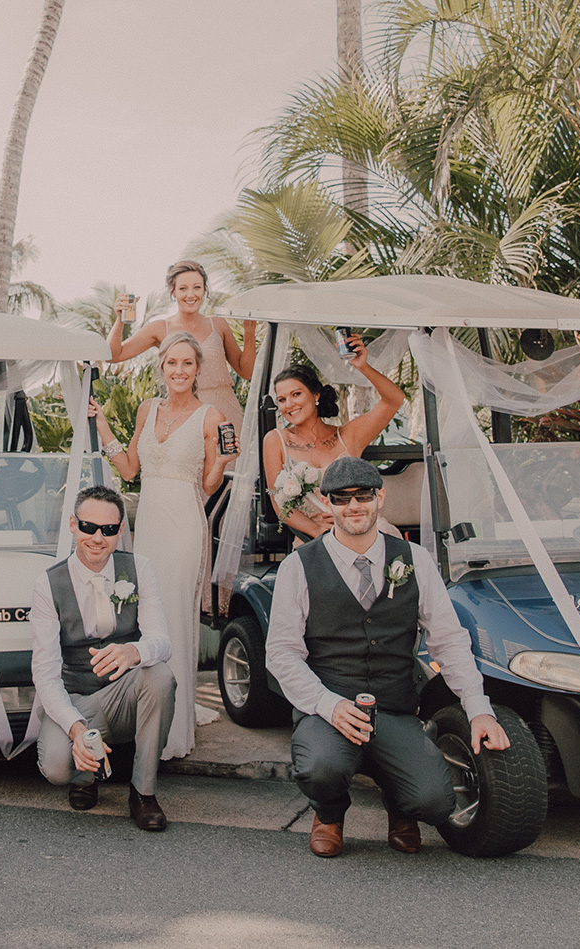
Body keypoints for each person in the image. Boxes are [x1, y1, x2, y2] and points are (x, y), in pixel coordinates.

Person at [266, 457, 511, 858]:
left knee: (435, 801)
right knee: (320, 767)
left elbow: (449, 641)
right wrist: (327, 704)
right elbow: (281, 653)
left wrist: (479, 709)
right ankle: (329, 815)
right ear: (326, 504)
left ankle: (401, 807)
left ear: (380, 496)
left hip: (395, 706)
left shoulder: (415, 559)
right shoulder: (299, 566)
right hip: (329, 706)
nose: (354, 506)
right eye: (341, 499)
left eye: (363, 495)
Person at [91, 332, 236, 760]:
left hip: (184, 525)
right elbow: (131, 468)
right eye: (171, 363)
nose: (179, 371)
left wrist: (224, 460)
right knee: (146, 615)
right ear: (161, 368)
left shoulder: (210, 416)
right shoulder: (146, 409)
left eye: (187, 364)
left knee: (173, 613)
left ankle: (173, 729)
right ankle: (144, 715)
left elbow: (208, 486)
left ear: (197, 369)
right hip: (149, 524)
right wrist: (101, 423)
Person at [29, 487, 175, 830]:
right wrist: (77, 729)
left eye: (108, 530)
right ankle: (83, 776)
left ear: (120, 530)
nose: (97, 537)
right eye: (88, 527)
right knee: (54, 767)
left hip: (122, 695)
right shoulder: (47, 584)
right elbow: (45, 675)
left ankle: (143, 792)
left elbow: (162, 642)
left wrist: (133, 651)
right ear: (72, 524)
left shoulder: (140, 568)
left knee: (161, 676)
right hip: (75, 697)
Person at [260, 335, 408, 541]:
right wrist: (315, 530)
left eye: (296, 394)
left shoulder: (348, 435)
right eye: (282, 400)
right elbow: (279, 504)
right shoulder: (275, 440)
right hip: (315, 538)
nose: (289, 405)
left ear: (316, 395)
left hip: (364, 530)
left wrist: (362, 366)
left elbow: (394, 400)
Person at [107, 260, 257, 427]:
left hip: (226, 414)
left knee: (230, 453)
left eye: (197, 287)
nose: (191, 294)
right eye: (183, 288)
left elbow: (246, 372)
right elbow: (113, 356)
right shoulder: (160, 328)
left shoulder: (218, 324)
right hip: (184, 416)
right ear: (173, 292)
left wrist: (249, 332)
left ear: (205, 290)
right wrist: (120, 320)